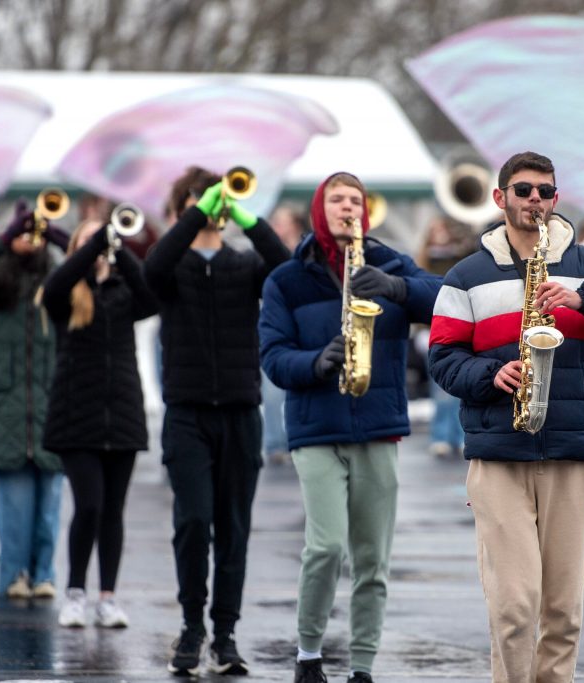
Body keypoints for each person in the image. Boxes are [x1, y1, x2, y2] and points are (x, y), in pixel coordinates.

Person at [428, 151, 584, 683]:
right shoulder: (465, 274)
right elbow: (441, 358)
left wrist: (583, 296)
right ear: (500, 198)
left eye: (545, 191)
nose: (535, 199)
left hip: (571, 452)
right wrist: (491, 376)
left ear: (555, 198)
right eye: (523, 190)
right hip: (499, 454)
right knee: (514, 610)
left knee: (563, 615)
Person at [260, 171, 441, 683]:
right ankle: (309, 654)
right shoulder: (286, 280)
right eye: (336, 199)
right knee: (325, 547)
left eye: (355, 200)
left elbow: (445, 300)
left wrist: (396, 286)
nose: (346, 207)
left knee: (372, 560)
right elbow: (273, 357)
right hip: (316, 427)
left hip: (377, 425)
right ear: (320, 209)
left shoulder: (386, 259)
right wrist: (316, 362)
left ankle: (362, 667)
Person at [143, 167, 289, 676]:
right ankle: (190, 627)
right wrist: (197, 211)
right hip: (185, 413)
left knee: (233, 528)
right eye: (200, 201)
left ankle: (224, 633)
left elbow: (285, 266)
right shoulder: (173, 264)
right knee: (193, 521)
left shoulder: (244, 265)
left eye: (216, 201)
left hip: (239, 412)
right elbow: (152, 268)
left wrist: (246, 216)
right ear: (183, 207)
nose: (212, 209)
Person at [41, 218, 158, 629]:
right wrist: (90, 247)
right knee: (88, 505)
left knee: (113, 510)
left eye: (101, 237)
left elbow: (153, 295)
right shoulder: (68, 292)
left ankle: (108, 596)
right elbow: (54, 287)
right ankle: (75, 591)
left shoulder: (126, 289)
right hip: (77, 414)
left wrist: (120, 248)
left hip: (122, 411)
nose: (99, 243)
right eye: (88, 238)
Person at [0, 201, 66, 600]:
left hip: (48, 402)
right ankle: (13, 575)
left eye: (31, 234)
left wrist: (54, 234)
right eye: (23, 233)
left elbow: (82, 264)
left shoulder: (55, 279)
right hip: (5, 406)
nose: (28, 240)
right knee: (12, 508)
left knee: (48, 508)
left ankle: (45, 574)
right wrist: (4, 238)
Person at [415, 215, 476, 458]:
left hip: (459, 327)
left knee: (460, 386)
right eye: (434, 229)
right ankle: (440, 436)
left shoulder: (459, 257)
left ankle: (461, 435)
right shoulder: (424, 261)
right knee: (439, 389)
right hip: (434, 329)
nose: (439, 233)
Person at [262, 204, 307, 464]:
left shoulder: (304, 253)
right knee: (271, 393)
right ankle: (275, 444)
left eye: (281, 221)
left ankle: (293, 441)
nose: (276, 227)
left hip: (300, 329)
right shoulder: (267, 253)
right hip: (276, 329)